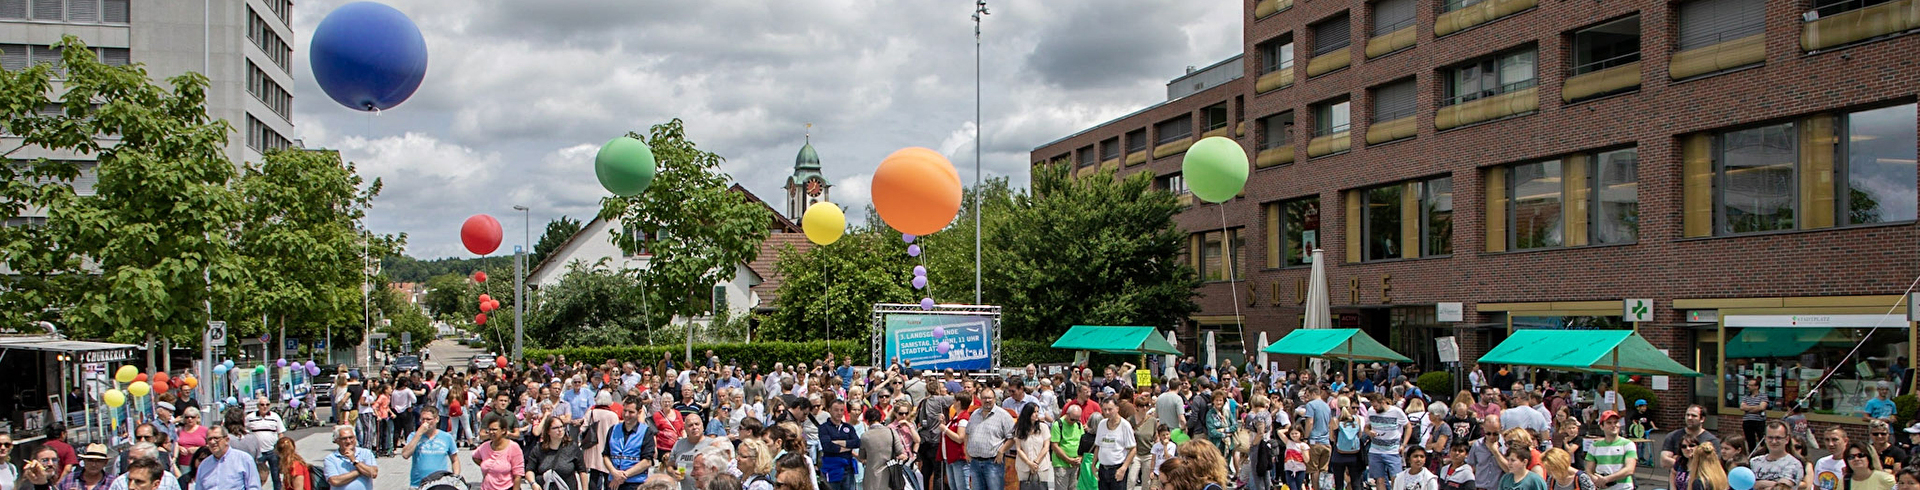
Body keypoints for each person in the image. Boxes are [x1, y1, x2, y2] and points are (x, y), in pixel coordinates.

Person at [966, 389, 1016, 490]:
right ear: (980, 399)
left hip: (993, 463)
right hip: (975, 462)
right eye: (984, 398)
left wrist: (1001, 451)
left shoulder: (1003, 415)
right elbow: (967, 433)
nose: (987, 400)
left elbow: (1013, 437)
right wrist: (966, 452)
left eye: (990, 398)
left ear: (995, 399)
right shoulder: (975, 414)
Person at [607, 398, 658, 490]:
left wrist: (623, 475)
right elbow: (605, 455)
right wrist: (614, 472)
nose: (626, 415)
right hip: (613, 481)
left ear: (639, 412)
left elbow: (647, 461)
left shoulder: (646, 432)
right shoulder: (613, 429)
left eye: (631, 412)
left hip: (635, 483)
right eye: (625, 411)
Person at [1660, 406, 1718, 486]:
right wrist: (1692, 461)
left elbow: (1712, 465)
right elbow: (1664, 462)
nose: (1689, 418)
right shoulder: (1673, 436)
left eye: (1694, 416)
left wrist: (1679, 460)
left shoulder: (1711, 440)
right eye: (1687, 415)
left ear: (1702, 419)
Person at [403, 406, 460, 488]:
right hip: (418, 485)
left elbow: (455, 460)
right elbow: (405, 454)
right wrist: (419, 434)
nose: (425, 422)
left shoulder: (446, 437)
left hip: (439, 484)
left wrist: (455, 478)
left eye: (428, 419)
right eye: (423, 419)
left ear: (436, 419)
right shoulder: (413, 436)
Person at [1367, 393, 1413, 490]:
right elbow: (1366, 427)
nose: (1374, 409)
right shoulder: (1371, 411)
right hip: (1375, 450)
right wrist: (1369, 432)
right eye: (1373, 406)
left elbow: (1408, 426)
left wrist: (1404, 444)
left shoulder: (1396, 411)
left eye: (1376, 406)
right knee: (1379, 480)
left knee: (1396, 479)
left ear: (1383, 402)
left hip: (1393, 450)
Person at [530, 416, 586, 490]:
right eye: (555, 428)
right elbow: (530, 469)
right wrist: (533, 483)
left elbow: (582, 471)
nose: (560, 430)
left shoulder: (572, 447)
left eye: (561, 427)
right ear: (548, 431)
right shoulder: (538, 449)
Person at [1583, 411, 1635, 490]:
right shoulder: (1594, 446)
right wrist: (1595, 479)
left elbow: (1629, 469)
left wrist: (1607, 479)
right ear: (1602, 426)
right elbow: (1588, 470)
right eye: (1609, 423)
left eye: (1616, 422)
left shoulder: (1628, 444)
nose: (1613, 425)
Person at [475, 414, 527, 490]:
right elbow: (475, 457)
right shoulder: (484, 446)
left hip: (507, 487)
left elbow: (518, 474)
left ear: (503, 431)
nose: (491, 432)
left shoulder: (513, 447)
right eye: (489, 429)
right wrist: (485, 465)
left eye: (494, 429)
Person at [817, 400, 861, 490]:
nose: (839, 413)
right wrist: (848, 447)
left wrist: (838, 442)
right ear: (830, 410)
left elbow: (857, 442)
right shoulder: (824, 428)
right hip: (832, 468)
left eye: (841, 410)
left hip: (847, 468)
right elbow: (828, 446)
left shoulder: (848, 427)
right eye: (836, 410)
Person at [859, 408, 904, 490]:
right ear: (880, 418)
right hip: (890, 476)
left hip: (871, 478)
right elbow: (900, 451)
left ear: (867, 420)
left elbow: (862, 457)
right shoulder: (891, 432)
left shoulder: (865, 436)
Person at [322, 425, 377, 490]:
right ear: (337, 441)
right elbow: (335, 481)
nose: (348, 441)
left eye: (351, 437)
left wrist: (354, 461)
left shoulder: (366, 453)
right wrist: (360, 470)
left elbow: (373, 473)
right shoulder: (330, 459)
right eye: (344, 438)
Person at [1009, 405, 1050, 490]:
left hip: (1041, 466)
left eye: (1037, 412)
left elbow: (1046, 447)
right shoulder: (1019, 429)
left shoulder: (1043, 427)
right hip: (1024, 466)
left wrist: (1036, 462)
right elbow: (1019, 449)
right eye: (1034, 412)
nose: (1036, 414)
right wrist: (1029, 463)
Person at [1740, 378, 1770, 447]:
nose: (1748, 386)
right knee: (1750, 441)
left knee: (1762, 440)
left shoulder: (1763, 396)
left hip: (1759, 421)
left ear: (1756, 386)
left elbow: (1762, 407)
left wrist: (1748, 408)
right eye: (1748, 385)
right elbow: (1742, 407)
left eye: (1750, 385)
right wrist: (1756, 408)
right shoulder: (1746, 396)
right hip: (1747, 421)